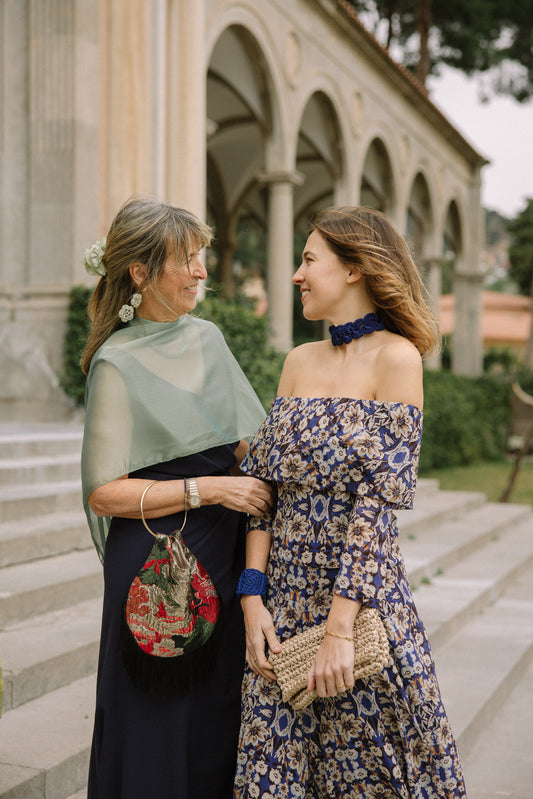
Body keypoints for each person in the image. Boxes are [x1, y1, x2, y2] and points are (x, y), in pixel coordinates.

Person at [234, 206, 467, 798]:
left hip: (358, 611)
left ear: (355, 268)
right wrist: (252, 598)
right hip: (282, 614)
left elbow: (376, 507)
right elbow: (264, 490)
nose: (296, 275)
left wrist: (339, 631)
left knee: (366, 779)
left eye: (309, 260)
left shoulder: (398, 359)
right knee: (272, 780)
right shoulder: (297, 361)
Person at [80, 195, 272, 799]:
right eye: (186, 259)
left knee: (216, 718)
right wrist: (208, 489)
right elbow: (104, 493)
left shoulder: (209, 339)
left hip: (225, 552)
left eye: (200, 257)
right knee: (156, 726)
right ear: (139, 273)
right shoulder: (115, 363)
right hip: (156, 568)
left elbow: (247, 445)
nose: (200, 271)